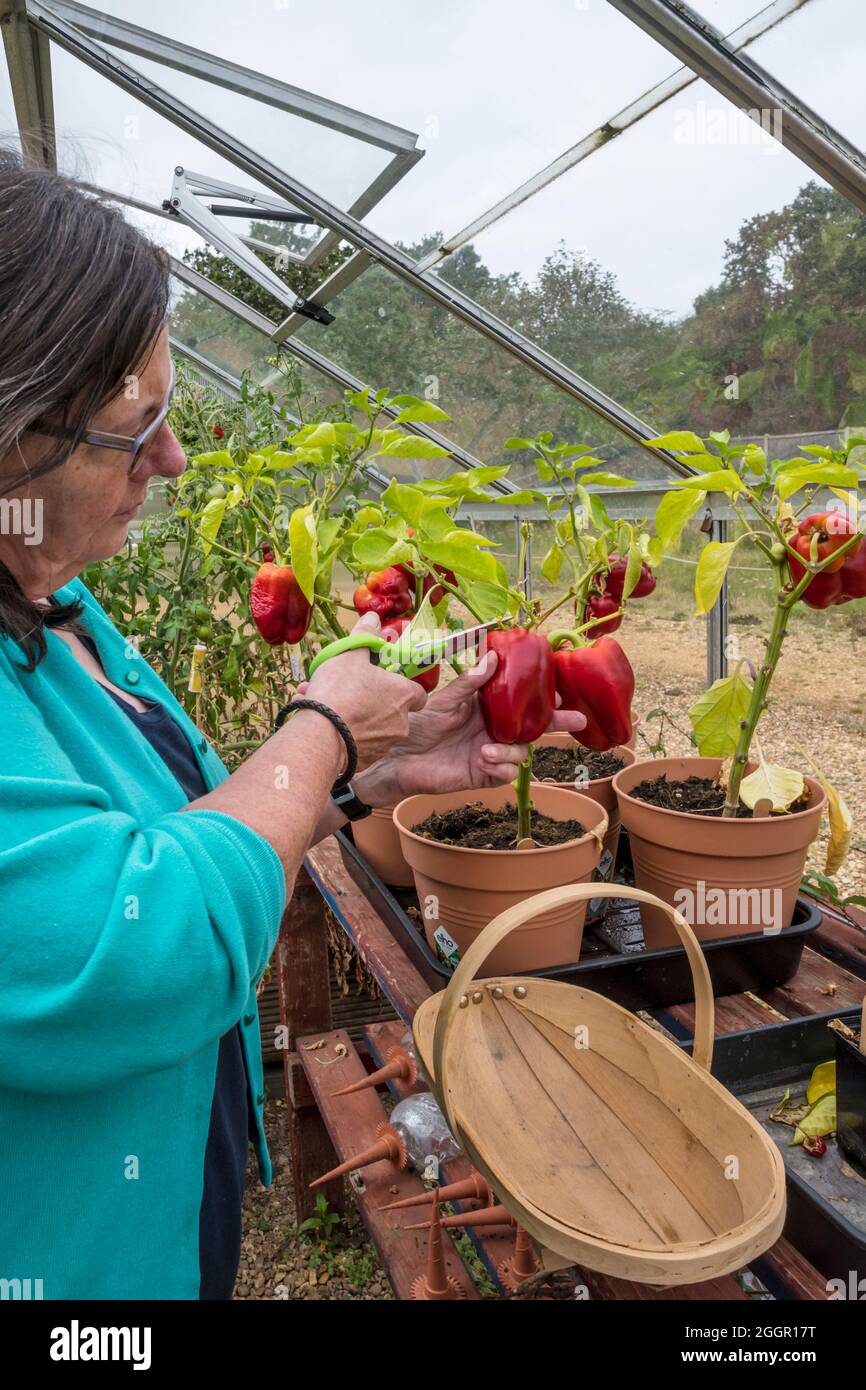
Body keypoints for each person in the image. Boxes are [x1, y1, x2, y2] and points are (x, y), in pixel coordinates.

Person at [0, 149, 584, 1299]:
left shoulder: (57, 605)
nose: (170, 457)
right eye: (133, 429)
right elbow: (130, 951)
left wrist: (374, 772)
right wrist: (320, 717)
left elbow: (199, 828)